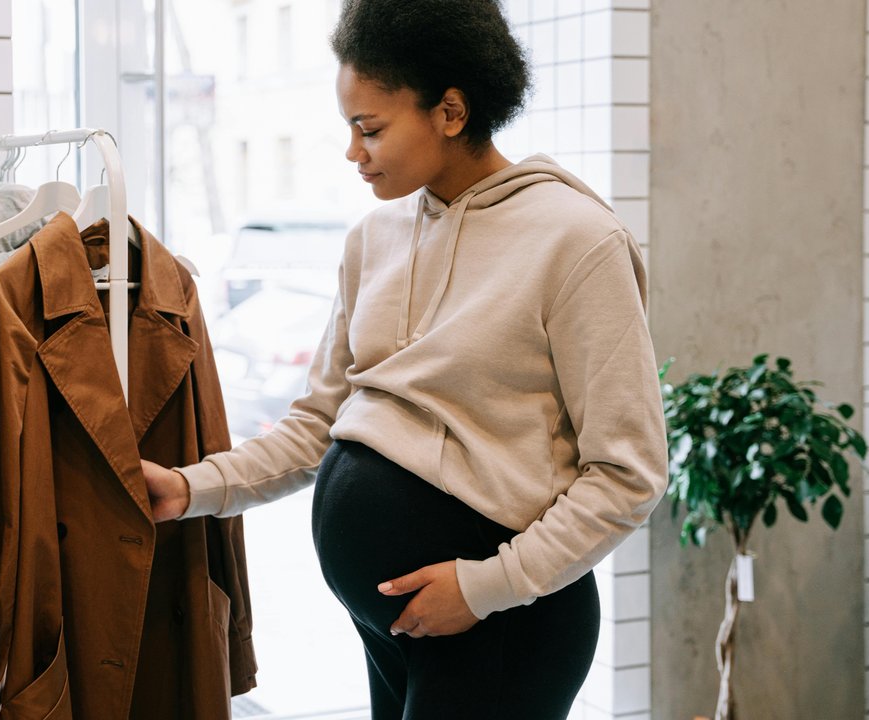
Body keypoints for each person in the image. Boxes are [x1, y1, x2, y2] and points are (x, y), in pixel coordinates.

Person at [141, 0, 669, 717]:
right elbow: (315, 427)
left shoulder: (576, 241)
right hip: (395, 625)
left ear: (450, 111)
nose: (354, 153)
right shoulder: (373, 240)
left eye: (371, 129)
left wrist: (484, 588)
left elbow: (627, 473)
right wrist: (188, 487)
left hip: (502, 625)